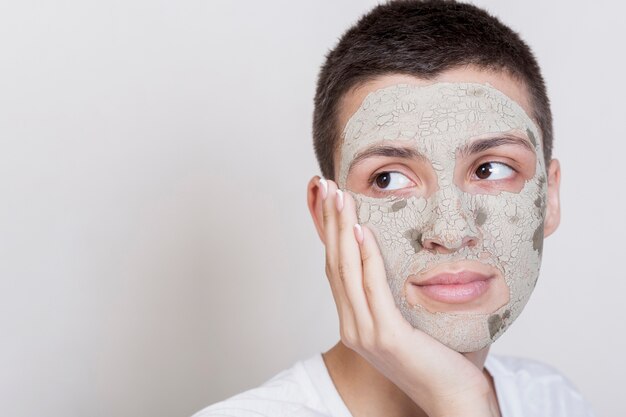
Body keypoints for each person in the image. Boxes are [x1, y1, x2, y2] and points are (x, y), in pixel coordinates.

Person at [194, 1, 596, 416]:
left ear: (549, 198)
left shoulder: (555, 401)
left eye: (490, 169)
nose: (450, 231)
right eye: (388, 179)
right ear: (326, 216)